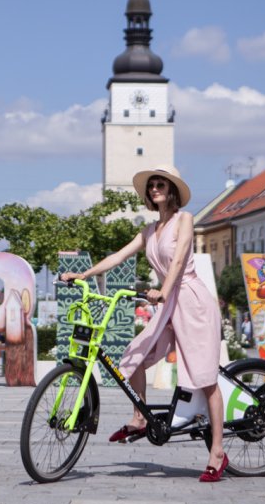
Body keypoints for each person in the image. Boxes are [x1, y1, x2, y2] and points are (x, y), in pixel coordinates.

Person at [60, 165, 227, 482]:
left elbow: (179, 259)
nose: (154, 188)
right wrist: (84, 274)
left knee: (205, 378)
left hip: (191, 300)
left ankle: (217, 452)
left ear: (172, 190)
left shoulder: (184, 219)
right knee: (133, 356)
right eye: (151, 185)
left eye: (160, 184)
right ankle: (139, 417)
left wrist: (163, 290)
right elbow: (118, 256)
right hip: (166, 302)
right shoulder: (149, 231)